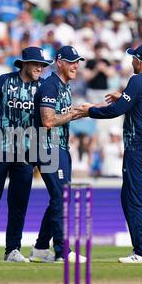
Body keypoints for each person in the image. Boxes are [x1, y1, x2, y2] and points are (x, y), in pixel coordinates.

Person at [74, 44, 142, 263]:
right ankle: (140, 249)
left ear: (139, 61)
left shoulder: (137, 81)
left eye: (133, 58)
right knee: (128, 198)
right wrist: (124, 96)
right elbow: (137, 104)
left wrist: (89, 111)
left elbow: (116, 111)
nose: (131, 61)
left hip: (137, 144)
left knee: (132, 198)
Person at [0, 46, 53, 263]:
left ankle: (12, 250)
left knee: (18, 203)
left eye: (43, 65)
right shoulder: (4, 80)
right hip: (0, 148)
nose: (40, 68)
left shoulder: (44, 87)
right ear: (24, 63)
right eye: (37, 63)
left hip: (27, 151)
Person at [29, 46, 87, 263]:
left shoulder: (65, 87)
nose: (76, 65)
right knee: (61, 197)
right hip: (47, 147)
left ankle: (41, 248)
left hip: (60, 147)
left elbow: (61, 117)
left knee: (60, 197)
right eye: (72, 61)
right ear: (59, 62)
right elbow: (48, 121)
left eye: (78, 61)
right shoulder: (50, 85)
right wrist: (74, 113)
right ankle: (62, 251)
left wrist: (81, 112)